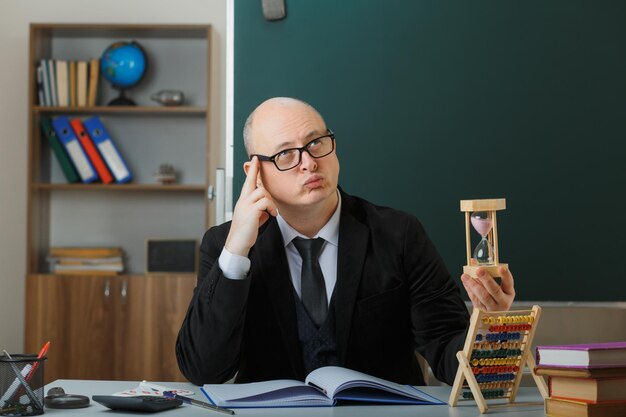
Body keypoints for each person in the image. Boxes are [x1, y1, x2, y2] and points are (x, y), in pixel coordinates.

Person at [176, 97, 515, 386]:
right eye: (286, 155)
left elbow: (447, 355)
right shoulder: (225, 244)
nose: (309, 162)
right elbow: (205, 370)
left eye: (316, 143)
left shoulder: (399, 233)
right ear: (255, 172)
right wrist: (236, 252)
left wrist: (488, 328)